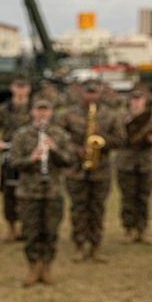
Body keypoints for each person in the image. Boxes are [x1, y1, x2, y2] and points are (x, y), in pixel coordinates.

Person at [54, 79, 126, 263]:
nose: (91, 96)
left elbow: (121, 140)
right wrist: (75, 150)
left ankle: (95, 246)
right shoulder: (69, 114)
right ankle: (79, 245)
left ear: (100, 93)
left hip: (101, 170)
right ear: (82, 93)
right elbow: (58, 137)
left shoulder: (111, 115)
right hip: (76, 171)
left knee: (97, 209)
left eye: (95, 92)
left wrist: (103, 137)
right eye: (88, 92)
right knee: (78, 208)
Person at [8, 96, 74, 286]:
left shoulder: (60, 135)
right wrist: (31, 159)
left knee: (50, 231)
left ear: (51, 112)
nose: (43, 113)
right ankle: (33, 267)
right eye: (39, 109)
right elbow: (13, 162)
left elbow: (69, 160)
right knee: (31, 231)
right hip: (29, 192)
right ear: (33, 112)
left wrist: (54, 150)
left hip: (53, 191)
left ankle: (46, 267)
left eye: (46, 110)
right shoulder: (22, 135)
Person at [0, 76, 32, 242]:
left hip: (29, 157)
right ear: (12, 89)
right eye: (17, 87)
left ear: (28, 89)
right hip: (9, 156)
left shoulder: (35, 110)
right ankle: (11, 229)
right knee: (9, 194)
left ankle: (27, 228)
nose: (20, 91)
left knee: (29, 193)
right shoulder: (3, 111)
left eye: (23, 87)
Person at [116, 85, 152, 245]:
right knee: (128, 197)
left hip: (146, 162)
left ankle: (142, 230)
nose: (136, 103)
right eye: (134, 99)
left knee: (143, 197)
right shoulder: (121, 117)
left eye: (139, 100)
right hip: (125, 162)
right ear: (129, 101)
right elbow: (118, 137)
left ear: (145, 102)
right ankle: (128, 230)